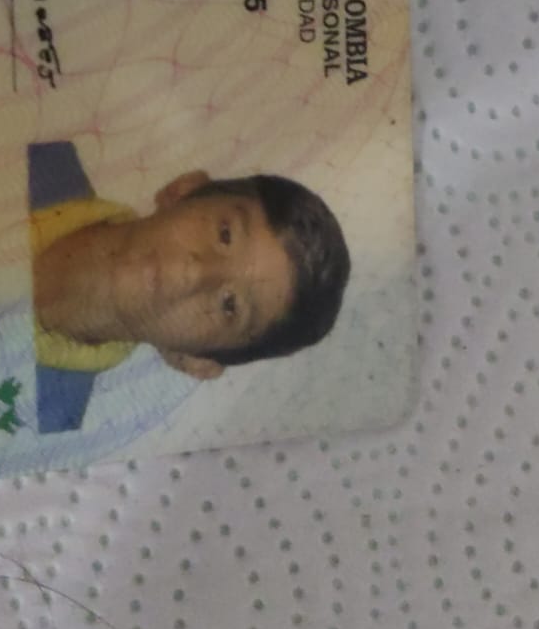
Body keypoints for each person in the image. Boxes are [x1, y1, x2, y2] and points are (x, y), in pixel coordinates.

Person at [28, 141, 351, 434]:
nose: (195, 273)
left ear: (195, 362)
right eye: (225, 235)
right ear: (183, 190)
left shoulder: (40, 422)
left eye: (230, 306)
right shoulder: (33, 151)